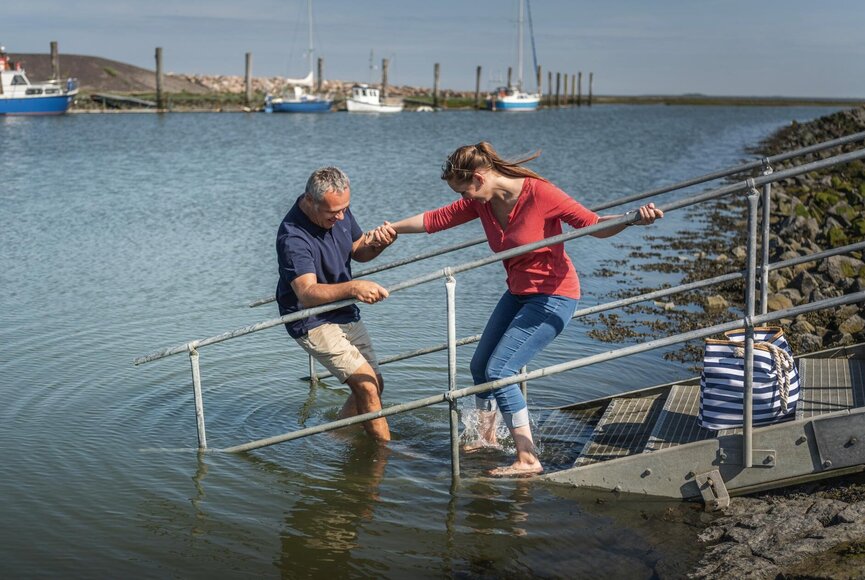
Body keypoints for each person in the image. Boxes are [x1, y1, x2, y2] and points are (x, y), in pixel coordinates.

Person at [384, 142, 663, 476]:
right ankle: (486, 437)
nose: (465, 199)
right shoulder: (483, 203)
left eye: (465, 191)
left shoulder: (541, 193)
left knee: (500, 371)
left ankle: (527, 459)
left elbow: (593, 225)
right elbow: (435, 219)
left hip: (554, 296)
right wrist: (391, 228)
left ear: (479, 178)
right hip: (518, 293)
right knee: (480, 367)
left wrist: (632, 219)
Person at [276, 167, 397, 441]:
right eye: (333, 213)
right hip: (311, 318)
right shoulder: (292, 238)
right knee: (366, 386)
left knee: (375, 383)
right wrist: (354, 287)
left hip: (343, 309)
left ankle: (337, 433)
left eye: (345, 209)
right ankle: (386, 455)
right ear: (310, 200)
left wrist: (380, 244)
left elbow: (358, 249)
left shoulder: (337, 207)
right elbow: (307, 293)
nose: (341, 217)